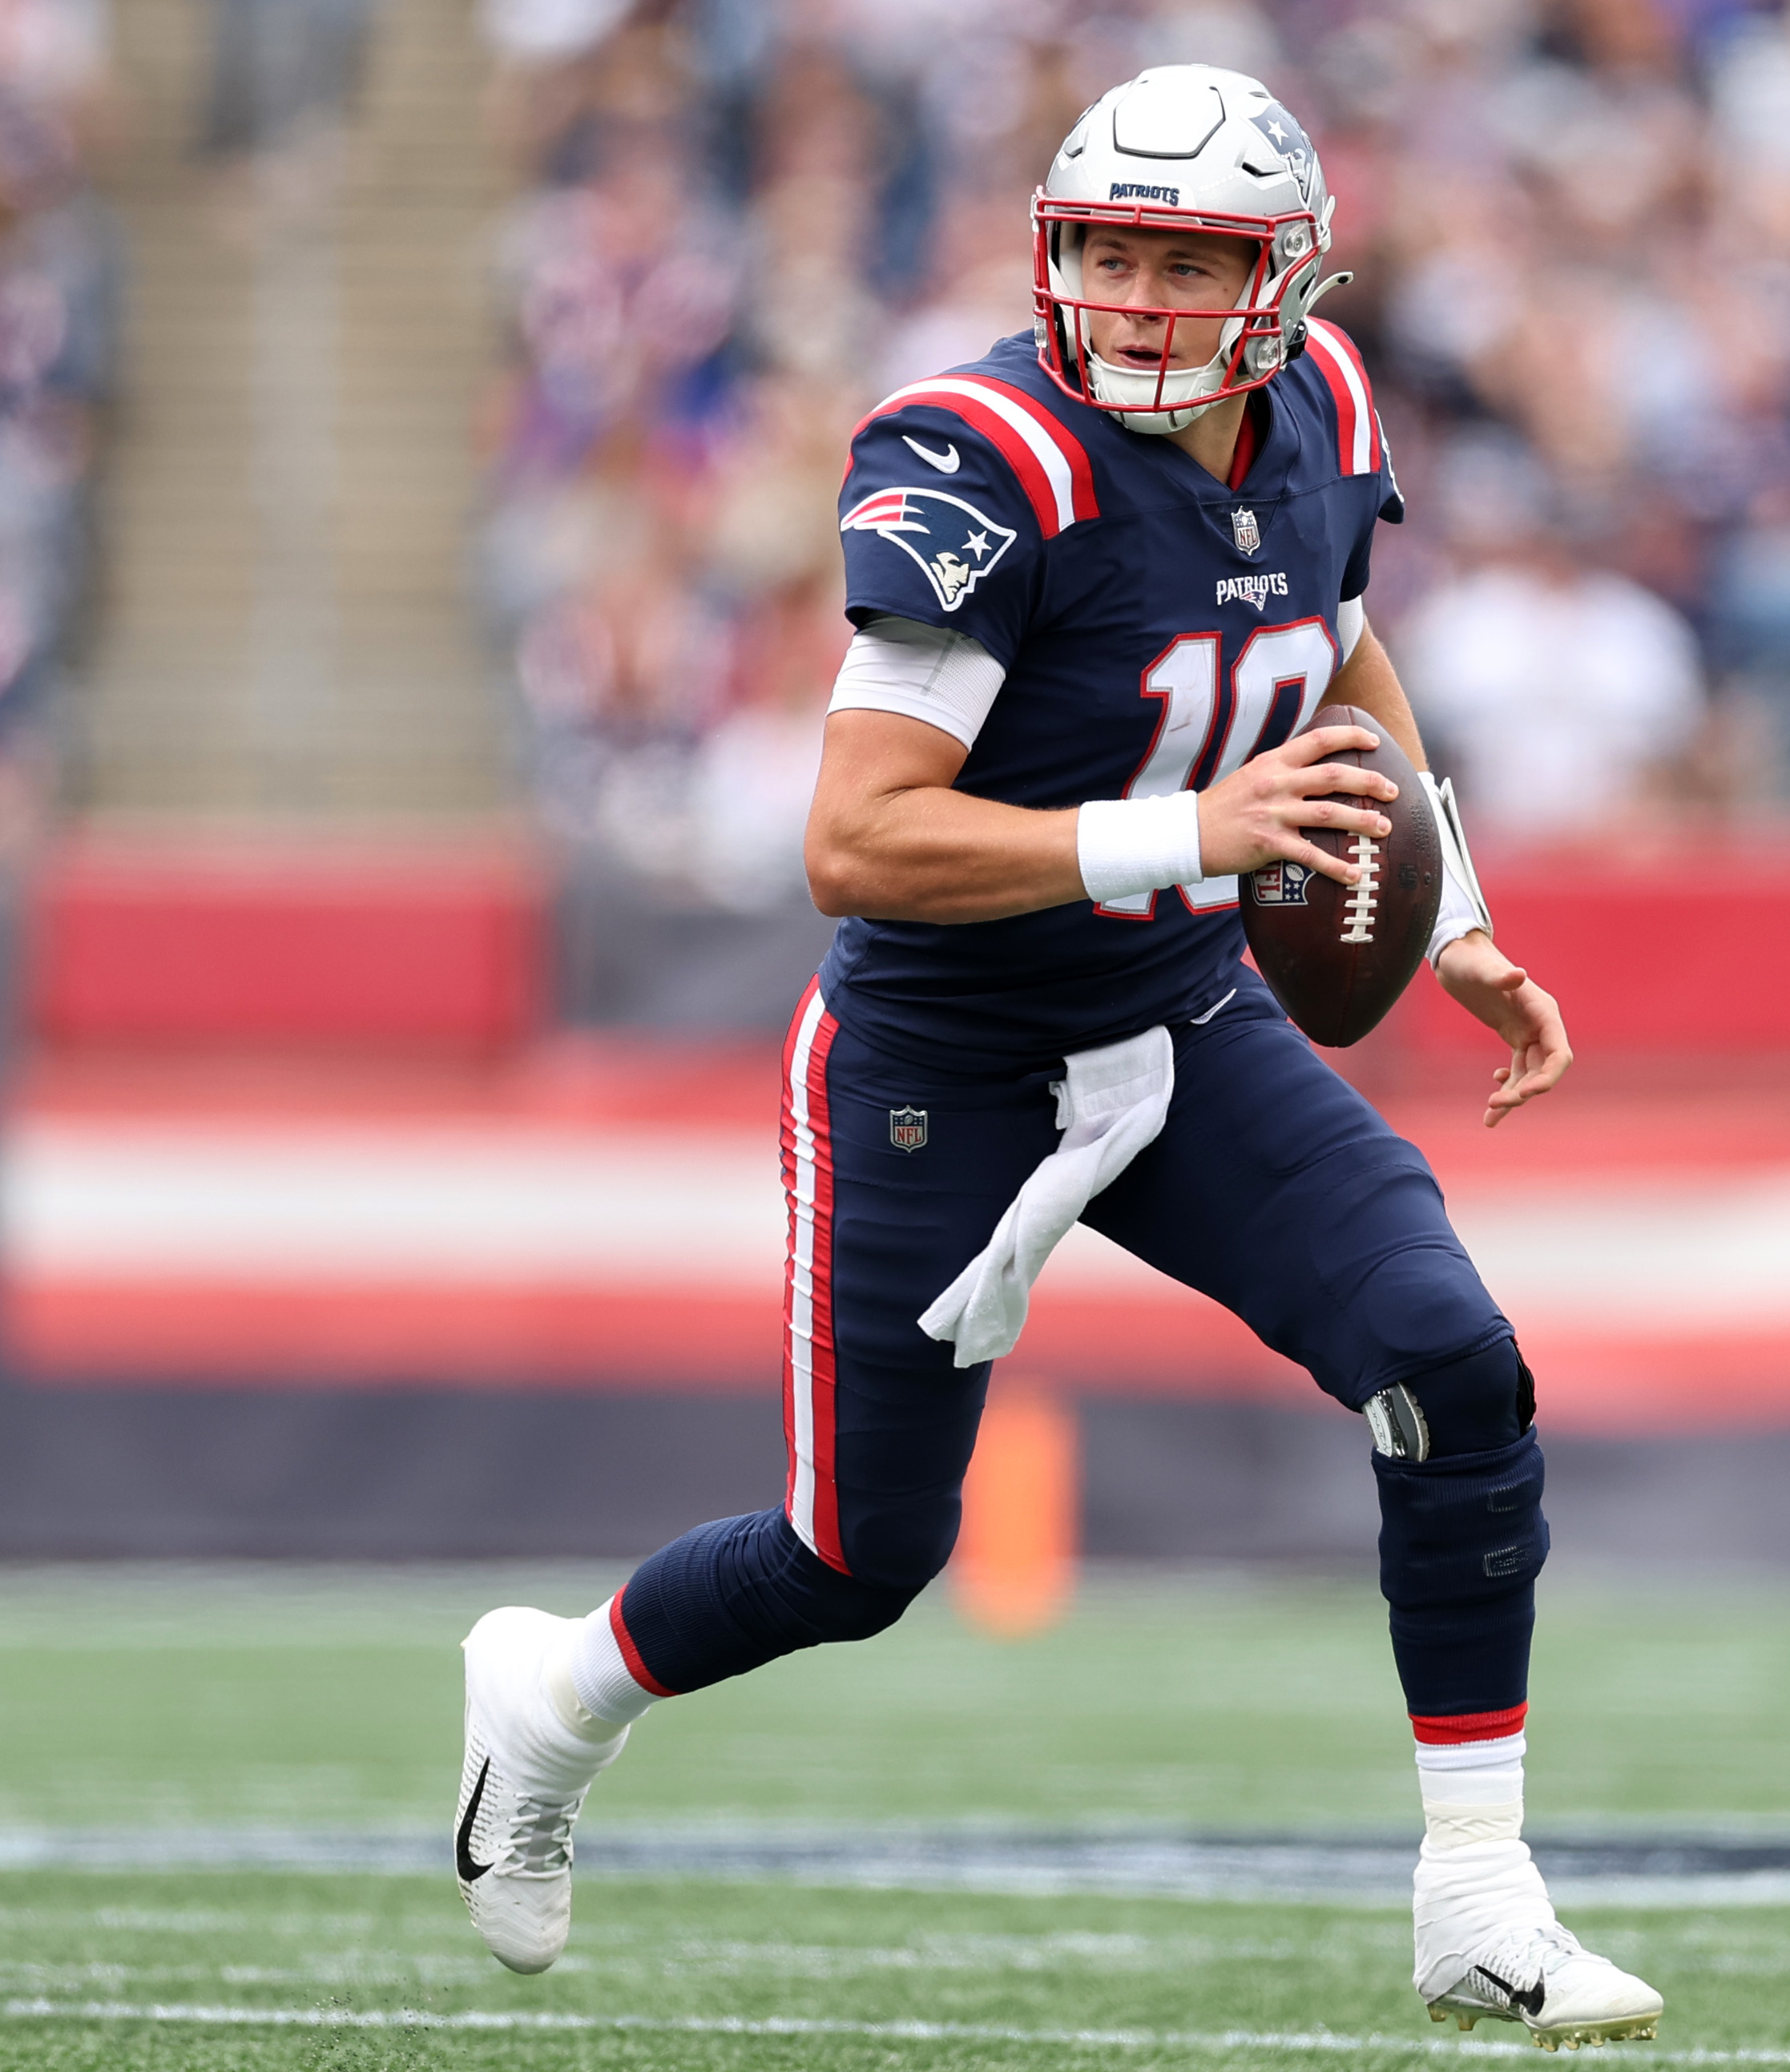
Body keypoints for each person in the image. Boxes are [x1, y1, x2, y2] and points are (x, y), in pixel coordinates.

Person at [449, 65, 1664, 2053]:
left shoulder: (1325, 414)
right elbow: (858, 838)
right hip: (944, 1050)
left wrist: (1441, 911)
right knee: (860, 1558)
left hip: (1179, 1017)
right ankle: (554, 1697)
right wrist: (1194, 833)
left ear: (1280, 279)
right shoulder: (989, 455)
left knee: (1449, 1358)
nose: (1134, 291)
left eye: (1185, 255)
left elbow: (1324, 641)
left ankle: (1476, 1894)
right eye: (1103, 245)